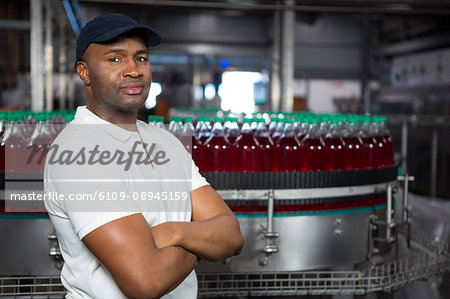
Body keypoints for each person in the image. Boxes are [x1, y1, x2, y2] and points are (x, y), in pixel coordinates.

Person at [43, 13, 243, 299]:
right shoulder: (79, 153)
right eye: (115, 59)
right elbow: (145, 281)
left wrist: (173, 232)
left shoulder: (165, 141)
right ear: (84, 72)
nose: (133, 70)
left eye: (141, 58)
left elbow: (232, 236)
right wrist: (202, 244)